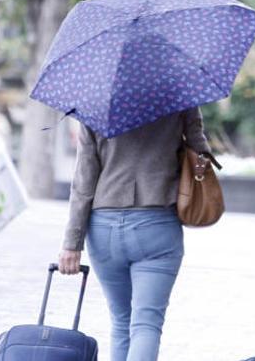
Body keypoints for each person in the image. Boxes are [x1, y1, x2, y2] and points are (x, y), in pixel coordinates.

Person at [58, 109, 212, 361]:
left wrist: (71, 243)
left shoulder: (95, 103)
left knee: (121, 321)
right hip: (157, 224)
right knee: (146, 324)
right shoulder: (179, 96)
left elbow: (84, 180)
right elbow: (201, 158)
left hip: (104, 227)